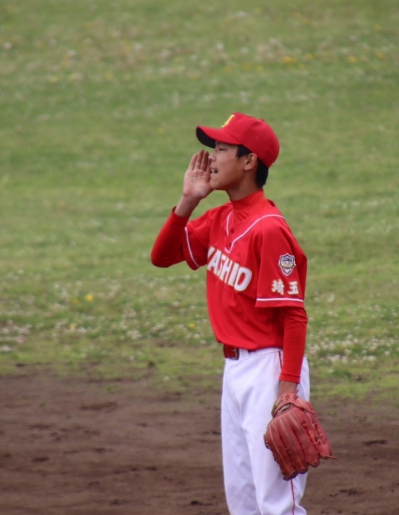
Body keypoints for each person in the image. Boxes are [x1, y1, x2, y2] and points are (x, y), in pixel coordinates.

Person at [151, 112, 311, 515]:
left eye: (222, 149)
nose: (212, 157)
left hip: (269, 371)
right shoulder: (221, 218)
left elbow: (294, 316)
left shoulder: (268, 228)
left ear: (249, 161)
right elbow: (162, 256)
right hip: (235, 372)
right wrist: (188, 201)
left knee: (277, 505)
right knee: (242, 499)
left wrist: (287, 391)